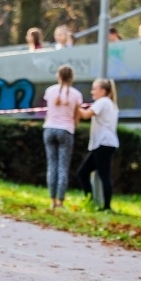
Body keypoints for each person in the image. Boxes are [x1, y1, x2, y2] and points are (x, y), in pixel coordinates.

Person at [42, 65, 82, 209]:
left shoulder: (50, 91)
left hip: (49, 129)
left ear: (58, 76)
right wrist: (74, 127)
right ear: (72, 78)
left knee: (51, 165)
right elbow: (76, 116)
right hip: (65, 130)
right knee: (63, 167)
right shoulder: (76, 94)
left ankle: (52, 201)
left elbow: (48, 112)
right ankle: (60, 201)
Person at [77, 78, 119, 211]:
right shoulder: (110, 103)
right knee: (85, 172)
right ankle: (93, 202)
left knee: (102, 175)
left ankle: (105, 206)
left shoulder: (102, 102)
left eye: (94, 89)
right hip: (105, 143)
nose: (92, 92)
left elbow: (85, 115)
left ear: (103, 90)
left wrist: (73, 105)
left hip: (103, 143)